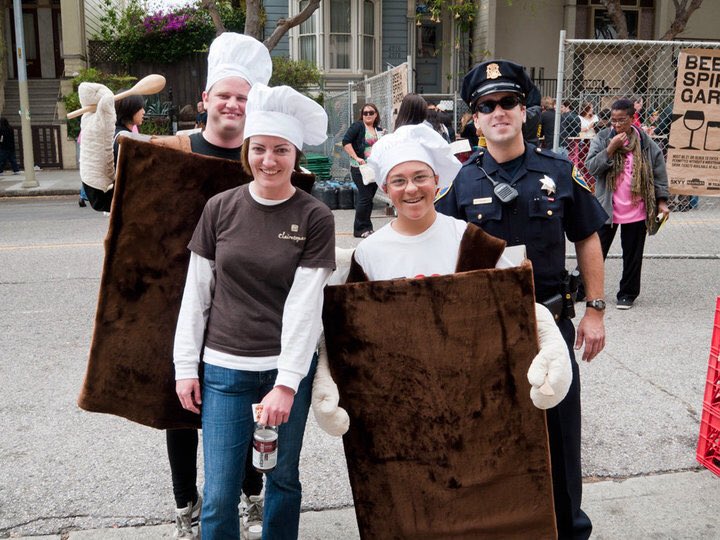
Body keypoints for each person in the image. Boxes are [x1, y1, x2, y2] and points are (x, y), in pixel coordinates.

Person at [435, 59, 608, 540]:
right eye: (486, 106)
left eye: (508, 101)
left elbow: (588, 236)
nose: (499, 112)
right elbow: (436, 245)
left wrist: (595, 311)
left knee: (559, 436)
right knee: (492, 430)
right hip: (486, 329)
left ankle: (567, 529)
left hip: (550, 324)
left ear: (524, 109)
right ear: (475, 118)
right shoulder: (461, 183)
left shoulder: (559, 171)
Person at [173, 82, 335, 539]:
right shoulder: (219, 208)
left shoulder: (314, 216)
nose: (269, 160)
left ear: (295, 153)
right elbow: (197, 293)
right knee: (221, 491)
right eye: (259, 148)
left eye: (281, 149)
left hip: (283, 374)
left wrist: (286, 384)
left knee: (282, 480)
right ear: (247, 151)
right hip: (224, 370)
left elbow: (307, 306)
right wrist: (186, 366)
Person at [358, 122, 572, 416]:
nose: (411, 189)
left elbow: (518, 299)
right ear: (385, 188)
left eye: (420, 177)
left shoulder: (467, 238)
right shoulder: (369, 253)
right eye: (398, 181)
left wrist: (550, 342)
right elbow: (354, 332)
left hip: (471, 393)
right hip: (403, 395)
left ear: (436, 181)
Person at [164, 33, 273, 539]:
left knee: (251, 406)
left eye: (242, 97)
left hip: (246, 309)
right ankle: (186, 502)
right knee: (182, 409)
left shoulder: (264, 158)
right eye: (223, 95)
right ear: (205, 99)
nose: (232, 104)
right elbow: (117, 208)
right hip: (178, 298)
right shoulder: (175, 151)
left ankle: (252, 496)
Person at [584, 98, 670, 310]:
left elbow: (658, 172)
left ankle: (627, 293)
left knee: (632, 255)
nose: (616, 125)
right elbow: (591, 168)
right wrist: (610, 150)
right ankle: (582, 289)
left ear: (632, 119)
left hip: (637, 208)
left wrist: (662, 201)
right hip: (607, 208)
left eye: (621, 120)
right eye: (613, 120)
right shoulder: (604, 138)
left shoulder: (645, 142)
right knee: (595, 252)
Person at [342, 103, 383, 238]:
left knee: (369, 199)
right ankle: (359, 229)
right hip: (360, 168)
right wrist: (357, 157)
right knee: (364, 197)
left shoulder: (378, 129)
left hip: (374, 168)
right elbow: (346, 142)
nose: (368, 115)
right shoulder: (358, 126)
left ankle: (367, 227)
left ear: (376, 114)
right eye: (365, 113)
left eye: (371, 112)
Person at [113, 94, 145, 164]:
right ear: (130, 109)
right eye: (140, 108)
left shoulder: (114, 133)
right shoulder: (126, 138)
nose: (143, 112)